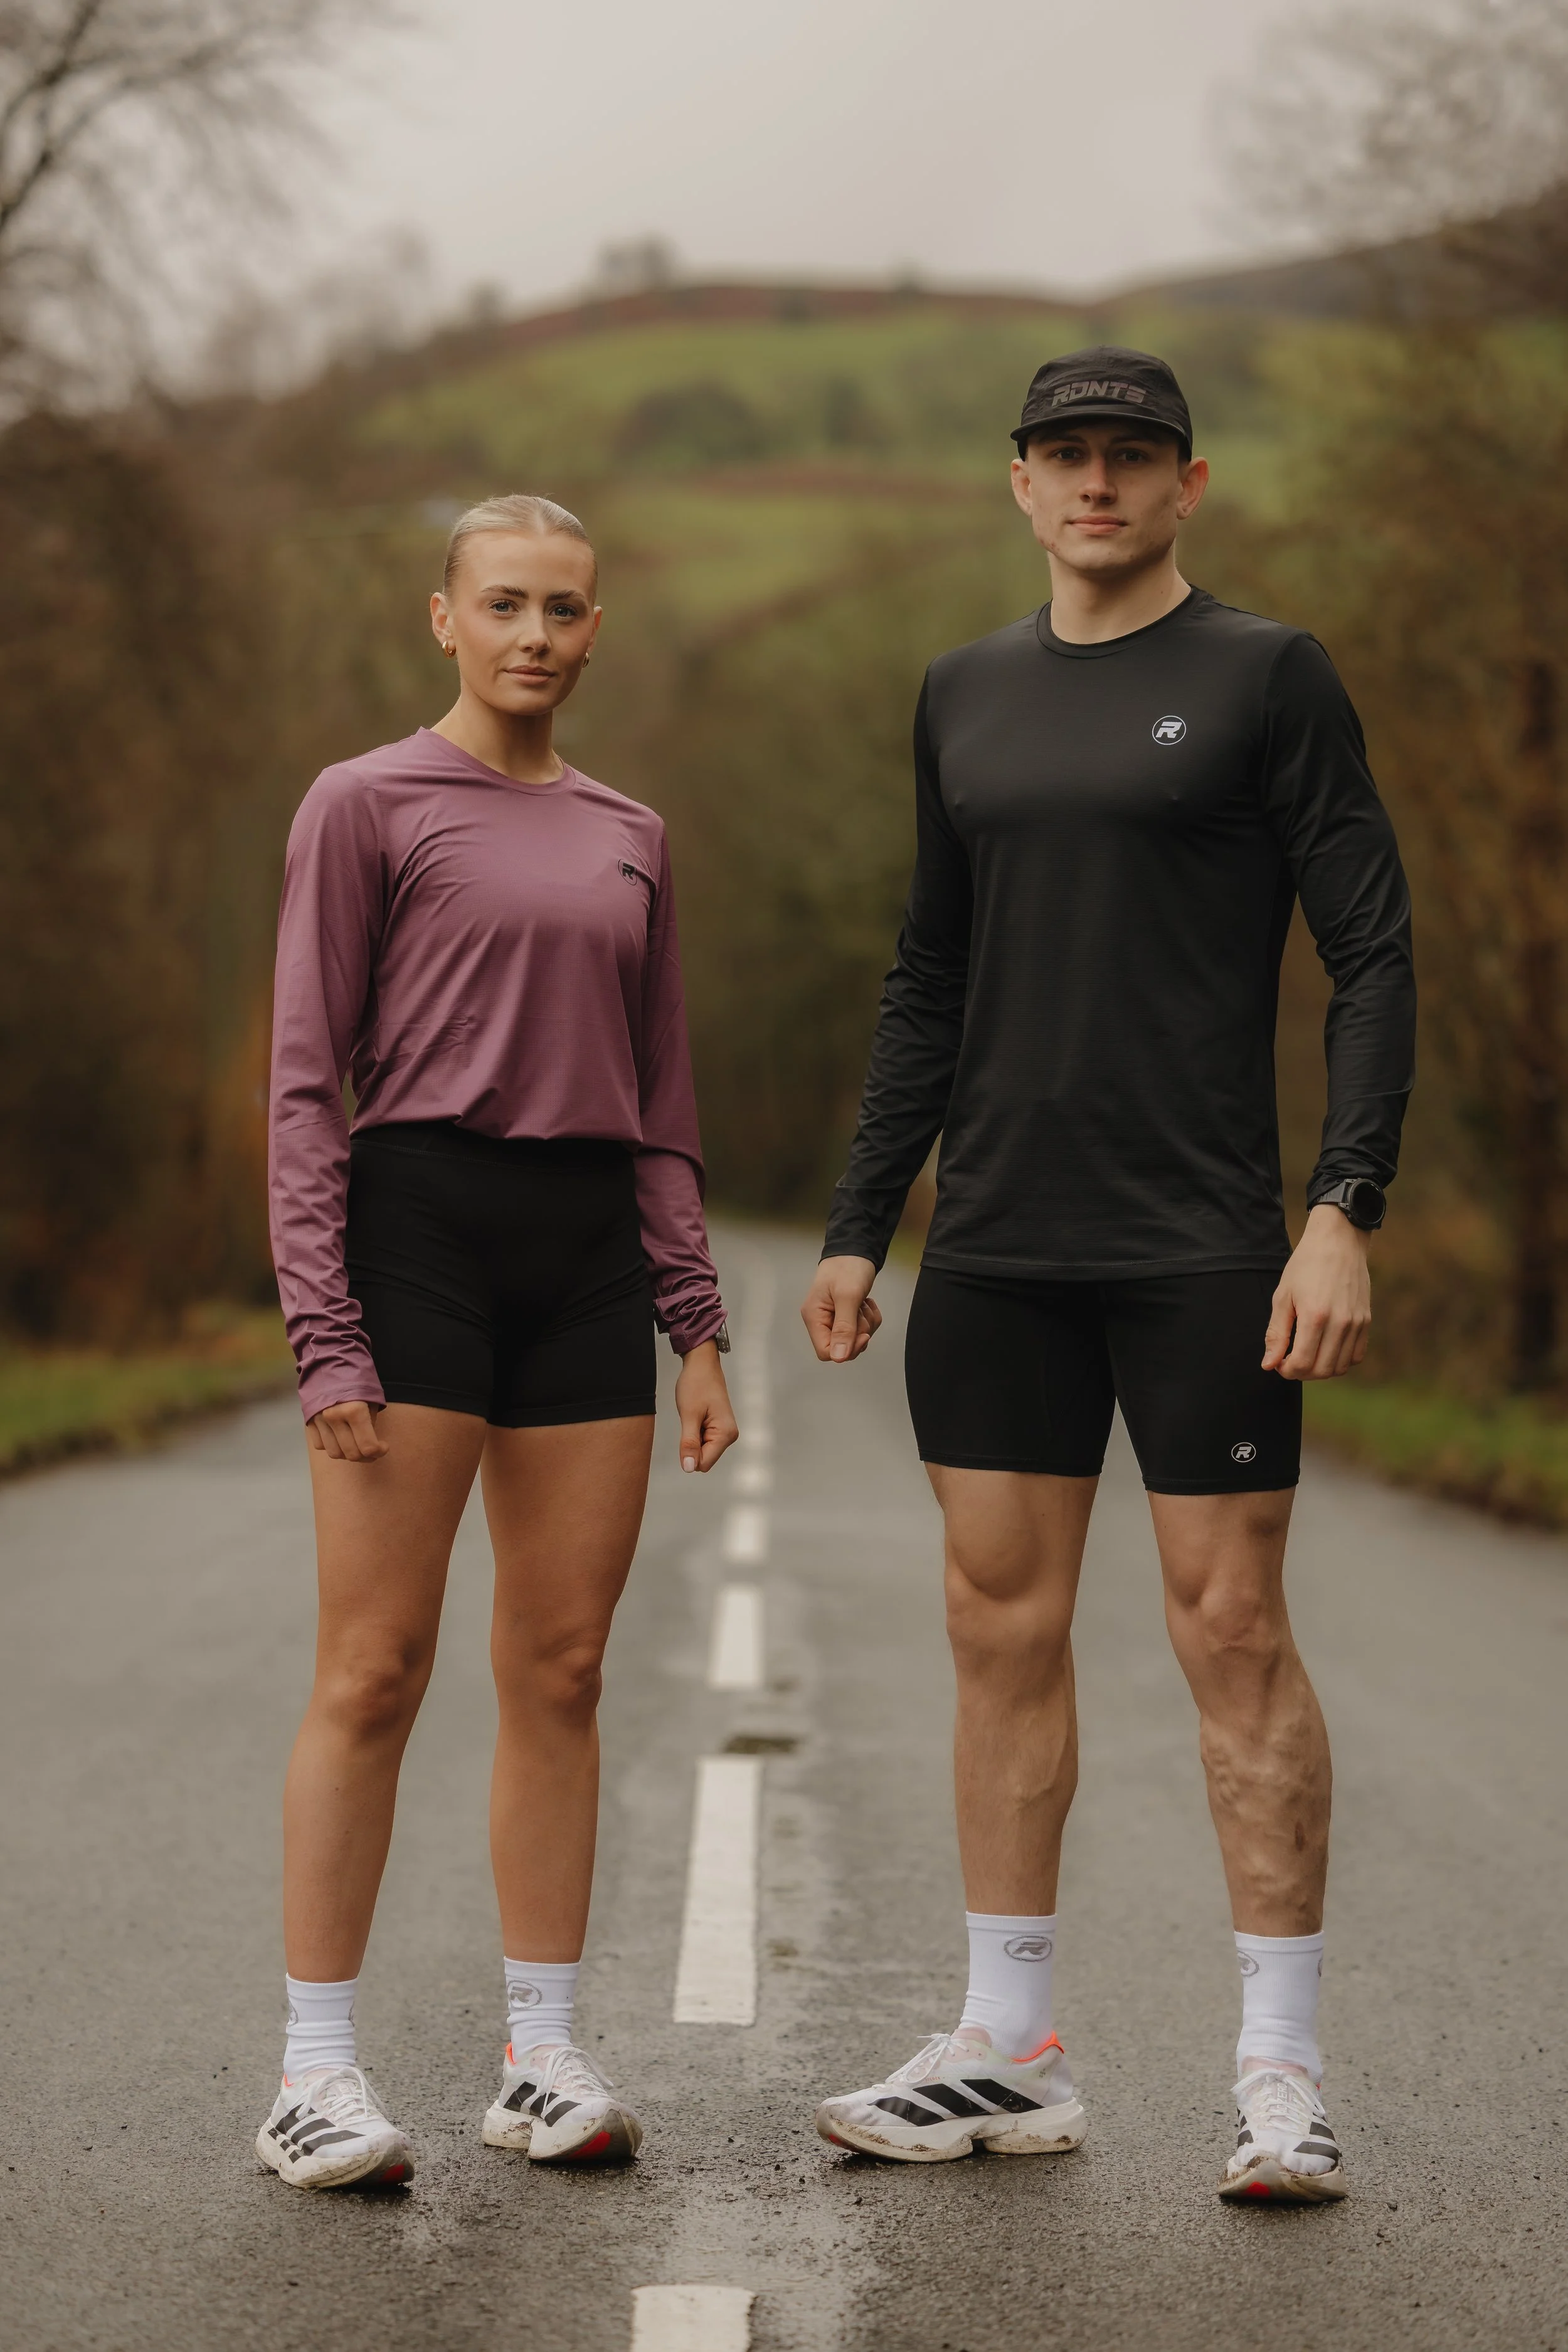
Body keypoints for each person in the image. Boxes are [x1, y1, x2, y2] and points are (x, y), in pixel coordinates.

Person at [802, 347, 1414, 2203]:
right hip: (995, 1245)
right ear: (1018, 482)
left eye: (1128, 458)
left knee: (1230, 1634)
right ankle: (1008, 2046)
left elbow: (1370, 951)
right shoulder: (961, 694)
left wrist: (1342, 1205)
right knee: (997, 1629)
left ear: (1184, 484)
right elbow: (928, 972)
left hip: (1205, 1244)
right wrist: (856, 1214)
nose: (1096, 484)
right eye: (1065, 455)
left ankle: (1282, 2069)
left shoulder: (1263, 675)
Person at [258, 493, 736, 2190]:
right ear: (443, 619)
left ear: (595, 630)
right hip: (417, 1240)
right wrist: (325, 1325)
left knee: (562, 1669)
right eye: (504, 602)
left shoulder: (632, 832)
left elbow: (659, 1096)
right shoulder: (365, 803)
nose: (535, 631)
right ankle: (315, 2070)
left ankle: (541, 2054)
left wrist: (694, 1318)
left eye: (564, 607)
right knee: (374, 1666)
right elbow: (309, 1079)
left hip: (585, 1258)